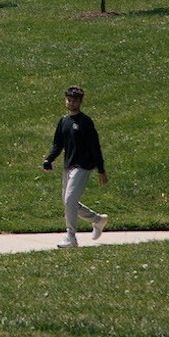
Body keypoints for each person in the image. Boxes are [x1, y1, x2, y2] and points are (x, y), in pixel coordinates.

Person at [41, 85, 108, 248]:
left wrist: (101, 170)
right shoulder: (64, 121)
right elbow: (58, 144)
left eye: (75, 101)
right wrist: (49, 160)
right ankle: (98, 220)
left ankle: (71, 236)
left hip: (83, 166)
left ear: (80, 102)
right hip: (68, 165)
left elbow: (95, 147)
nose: (71, 103)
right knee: (68, 202)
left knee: (70, 199)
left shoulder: (85, 122)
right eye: (69, 100)